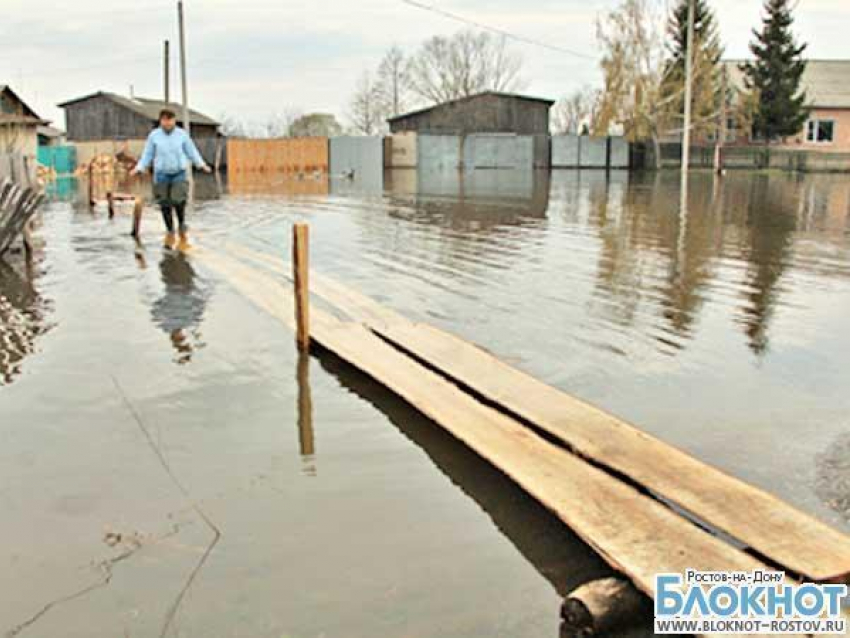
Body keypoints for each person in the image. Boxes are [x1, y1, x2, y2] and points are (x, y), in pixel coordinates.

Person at [131, 109, 211, 245]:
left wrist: (201, 164)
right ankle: (169, 230)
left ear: (174, 120)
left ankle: (181, 223)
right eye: (164, 120)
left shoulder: (181, 135)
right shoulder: (154, 136)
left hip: (178, 172)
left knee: (178, 198)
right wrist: (139, 167)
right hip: (161, 173)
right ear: (161, 121)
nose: (167, 123)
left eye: (170, 120)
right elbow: (148, 154)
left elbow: (191, 151)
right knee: (164, 203)